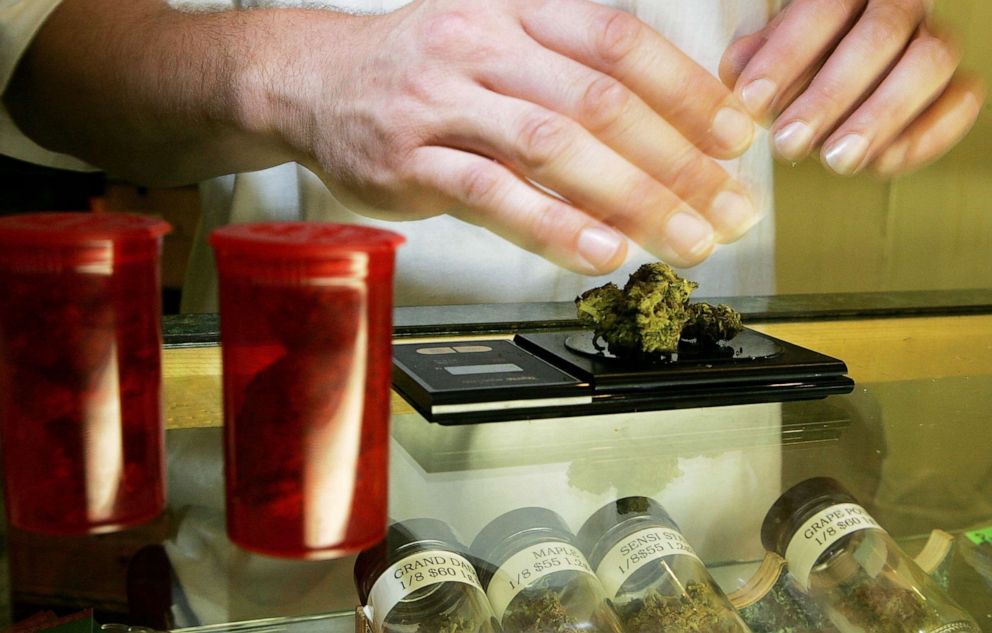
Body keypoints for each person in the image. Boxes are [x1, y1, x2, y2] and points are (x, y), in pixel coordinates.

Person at [1, 0, 984, 310]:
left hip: (705, 471)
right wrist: (291, 74)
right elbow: (37, 53)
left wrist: (873, 39)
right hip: (325, 493)